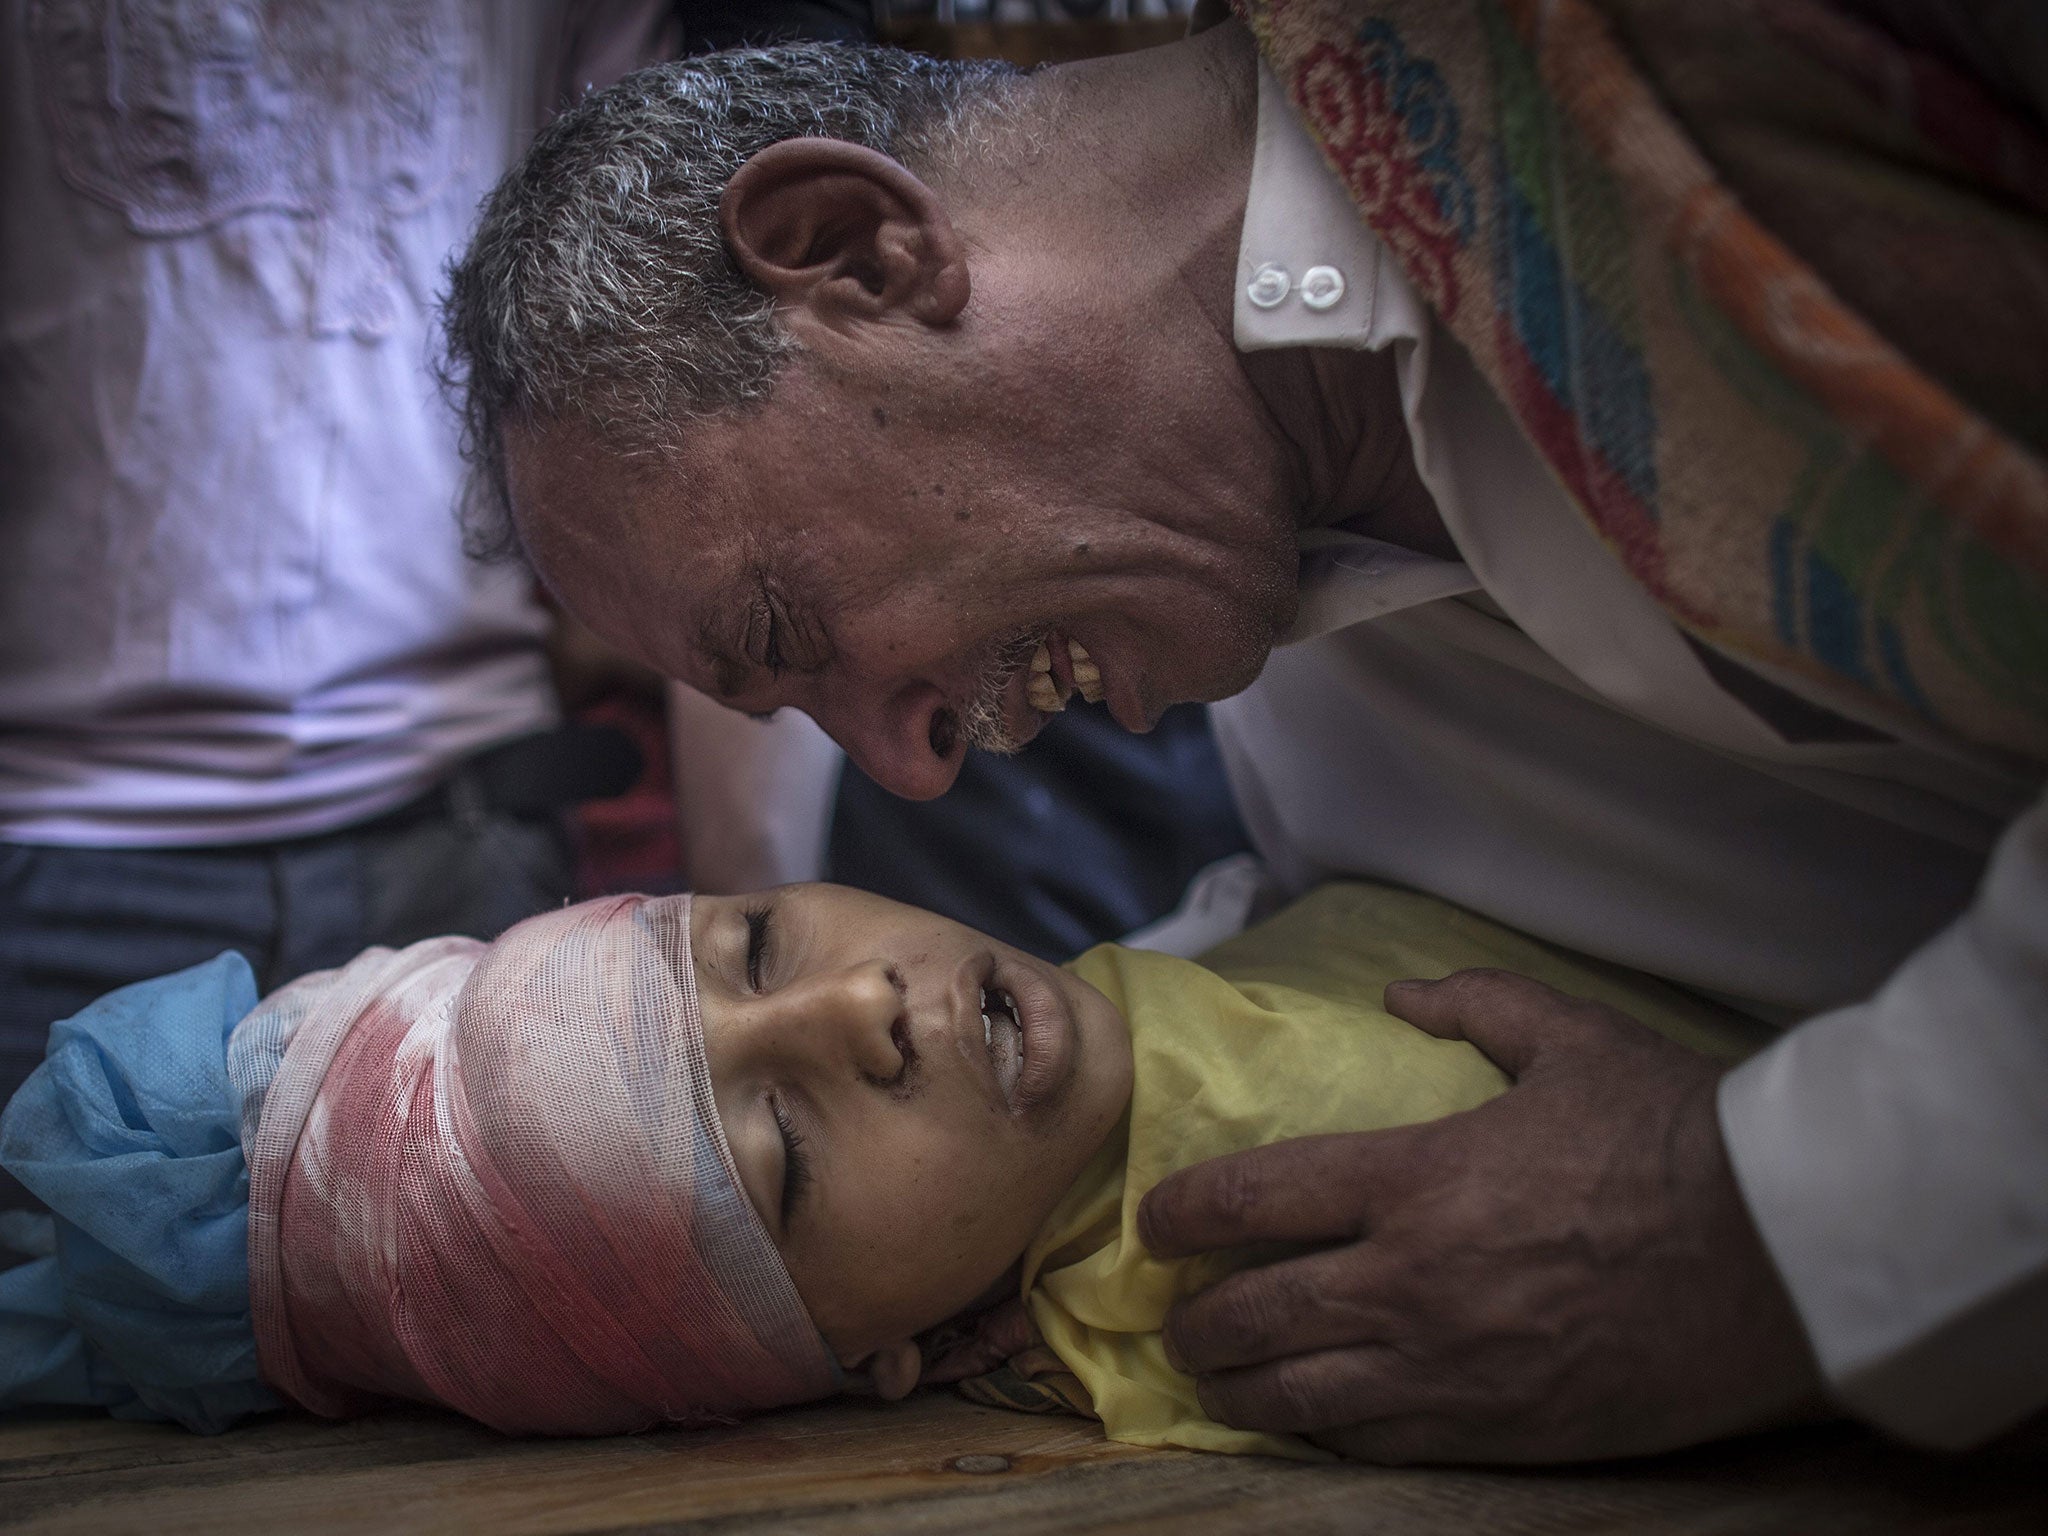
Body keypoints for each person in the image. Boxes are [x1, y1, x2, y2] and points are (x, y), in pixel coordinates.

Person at [435, 6, 2048, 1460]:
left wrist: (1771, 1231)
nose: (914, 763)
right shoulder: (1263, 602)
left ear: (856, 250)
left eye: (791, 636)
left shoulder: (1697, 67)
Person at [0, 880, 1764, 1450]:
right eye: (780, 1164)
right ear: (875, 1365)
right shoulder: (1314, 1209)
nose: (864, 1010)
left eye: (755, 947)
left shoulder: (1157, 1006)